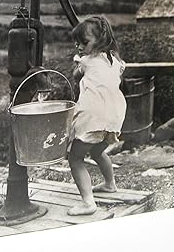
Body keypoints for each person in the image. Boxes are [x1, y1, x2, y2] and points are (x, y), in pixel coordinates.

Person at [67, 16, 127, 216]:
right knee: (97, 152)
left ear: (101, 40)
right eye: (78, 42)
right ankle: (110, 184)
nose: (79, 47)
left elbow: (77, 75)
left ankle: (88, 203)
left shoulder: (85, 60)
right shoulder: (116, 61)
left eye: (84, 42)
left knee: (75, 158)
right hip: (115, 116)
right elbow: (118, 72)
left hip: (94, 114)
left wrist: (79, 72)